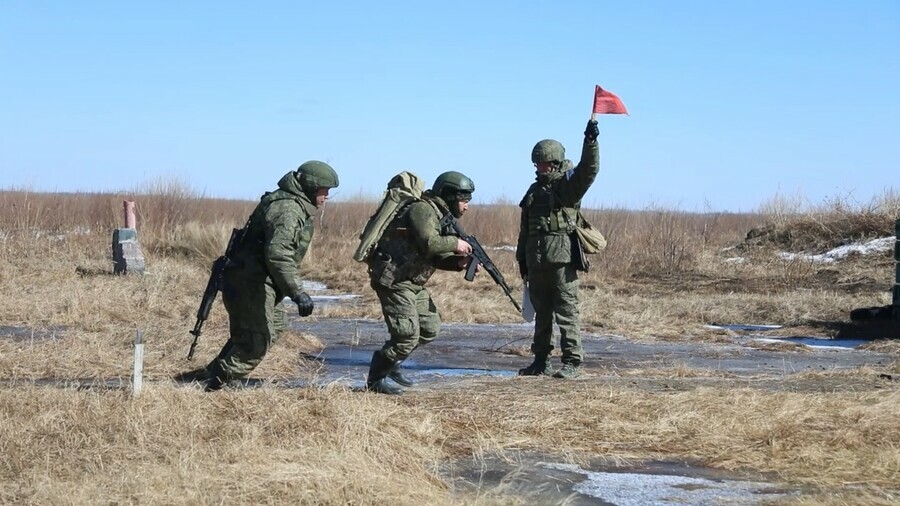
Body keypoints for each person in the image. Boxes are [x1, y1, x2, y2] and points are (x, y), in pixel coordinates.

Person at [202, 161, 339, 391]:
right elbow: (279, 254)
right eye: (324, 190)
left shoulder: (294, 205)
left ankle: (222, 371)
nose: (326, 196)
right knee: (258, 339)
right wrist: (297, 292)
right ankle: (219, 381)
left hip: (256, 278)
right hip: (250, 281)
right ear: (311, 187)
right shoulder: (288, 209)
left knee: (273, 324)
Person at [365, 171, 476, 394]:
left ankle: (394, 361)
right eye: (464, 200)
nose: (466, 207)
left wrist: (458, 263)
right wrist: (456, 243)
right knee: (406, 335)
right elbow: (429, 243)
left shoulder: (439, 215)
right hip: (394, 280)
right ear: (451, 196)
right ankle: (376, 379)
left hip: (412, 281)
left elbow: (432, 256)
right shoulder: (422, 209)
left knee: (429, 328)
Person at [516, 119, 600, 379]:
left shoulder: (566, 187)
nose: (539, 168)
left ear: (553, 162)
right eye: (536, 164)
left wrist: (591, 142)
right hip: (537, 262)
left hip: (562, 262)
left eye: (542, 163)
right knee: (542, 314)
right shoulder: (533, 191)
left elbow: (589, 170)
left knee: (567, 312)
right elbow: (525, 230)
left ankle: (572, 362)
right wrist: (523, 261)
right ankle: (541, 361)